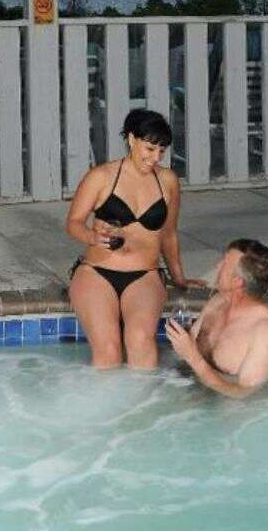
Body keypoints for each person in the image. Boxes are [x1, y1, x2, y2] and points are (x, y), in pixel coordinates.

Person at [65, 109, 206, 369]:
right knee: (108, 349)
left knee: (141, 341)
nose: (155, 158)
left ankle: (146, 408)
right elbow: (73, 223)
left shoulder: (168, 181)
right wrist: (92, 237)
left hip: (145, 274)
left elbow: (169, 233)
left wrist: (178, 277)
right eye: (150, 148)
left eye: (161, 151)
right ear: (131, 139)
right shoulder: (101, 176)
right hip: (96, 272)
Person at [165, 239, 268, 398]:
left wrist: (192, 356)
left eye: (224, 263)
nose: (217, 266)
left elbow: (245, 393)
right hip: (194, 393)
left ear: (237, 282)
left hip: (230, 410)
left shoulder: (265, 329)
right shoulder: (218, 301)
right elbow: (188, 348)